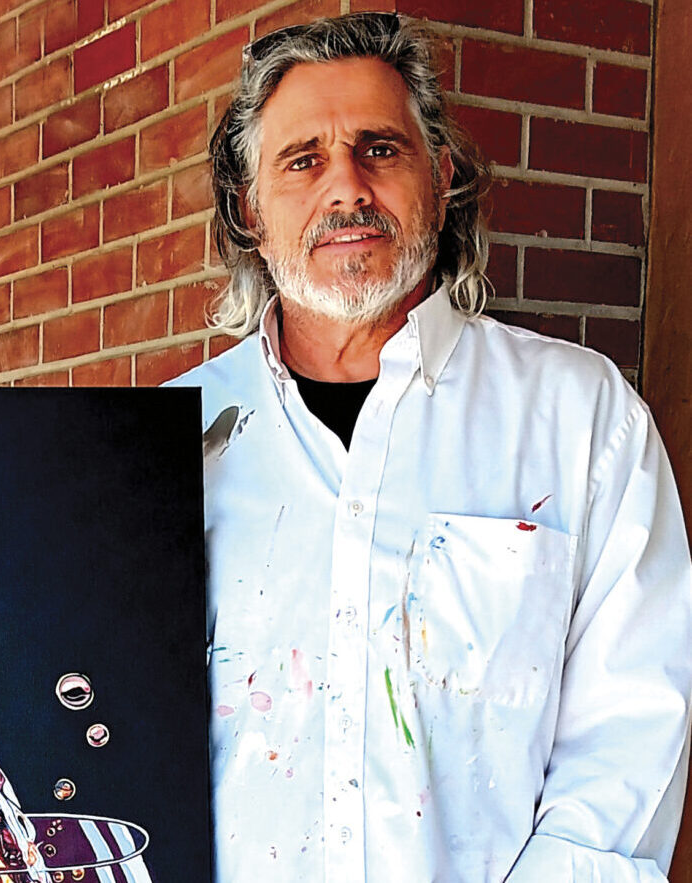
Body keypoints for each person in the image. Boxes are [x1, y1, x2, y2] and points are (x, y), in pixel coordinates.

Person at [167, 12, 692, 881]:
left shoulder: (580, 419)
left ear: (440, 176)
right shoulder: (168, 440)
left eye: (379, 149)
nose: (346, 189)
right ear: (251, 209)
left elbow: (628, 741)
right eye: (303, 161)